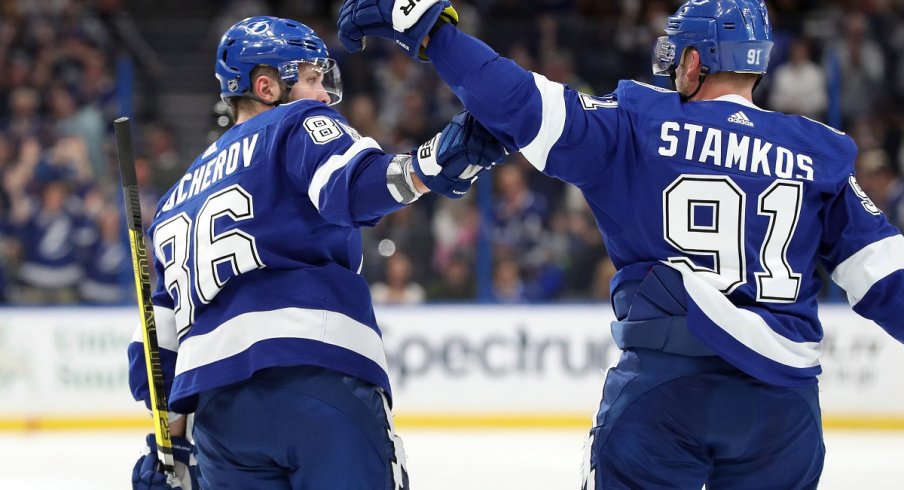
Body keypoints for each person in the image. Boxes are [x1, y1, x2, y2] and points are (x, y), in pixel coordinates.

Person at [337, 0, 904, 488]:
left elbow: (517, 99)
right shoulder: (822, 151)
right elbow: (888, 280)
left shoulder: (638, 120)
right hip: (782, 406)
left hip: (665, 389)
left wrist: (432, 29)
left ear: (692, 61)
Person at [128, 15, 505, 490]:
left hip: (220, 424)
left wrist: (172, 452)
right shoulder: (294, 124)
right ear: (266, 86)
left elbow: (159, 355)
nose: (324, 94)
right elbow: (355, 186)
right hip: (316, 376)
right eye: (309, 79)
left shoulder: (173, 200)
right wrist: (434, 163)